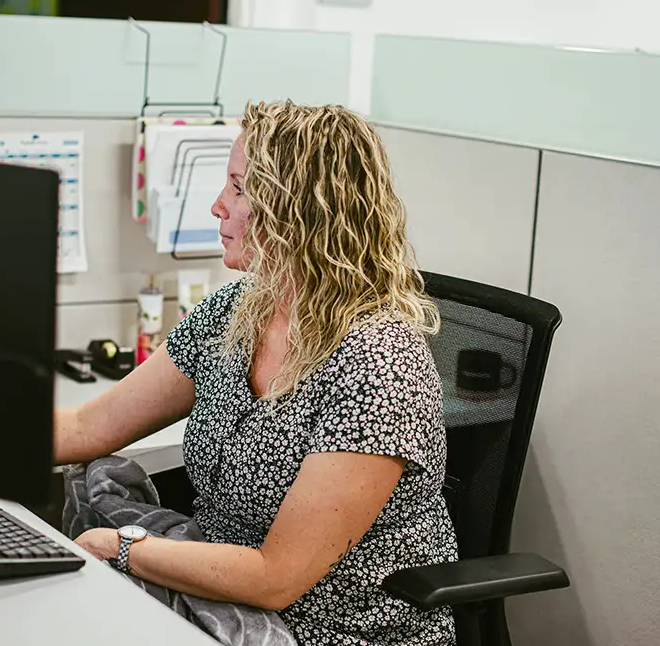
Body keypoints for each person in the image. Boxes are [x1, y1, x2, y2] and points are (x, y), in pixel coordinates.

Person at [53, 100, 458, 646]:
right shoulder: (237, 311)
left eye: (239, 188)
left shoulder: (379, 366)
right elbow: (86, 428)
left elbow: (276, 578)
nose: (218, 206)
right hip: (219, 597)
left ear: (301, 210)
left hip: (327, 630)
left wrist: (121, 547)